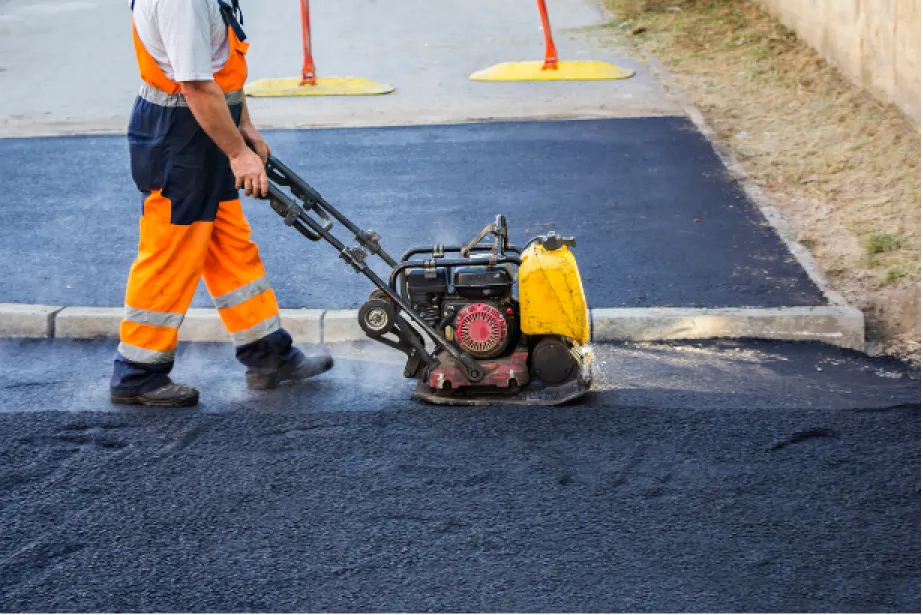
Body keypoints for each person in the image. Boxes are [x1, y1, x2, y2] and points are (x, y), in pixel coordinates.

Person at [110, 0, 332, 407]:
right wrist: (237, 153)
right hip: (178, 139)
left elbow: (220, 69)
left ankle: (268, 354)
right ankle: (136, 373)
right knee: (170, 253)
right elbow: (194, 84)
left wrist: (243, 126)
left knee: (231, 245)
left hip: (206, 127)